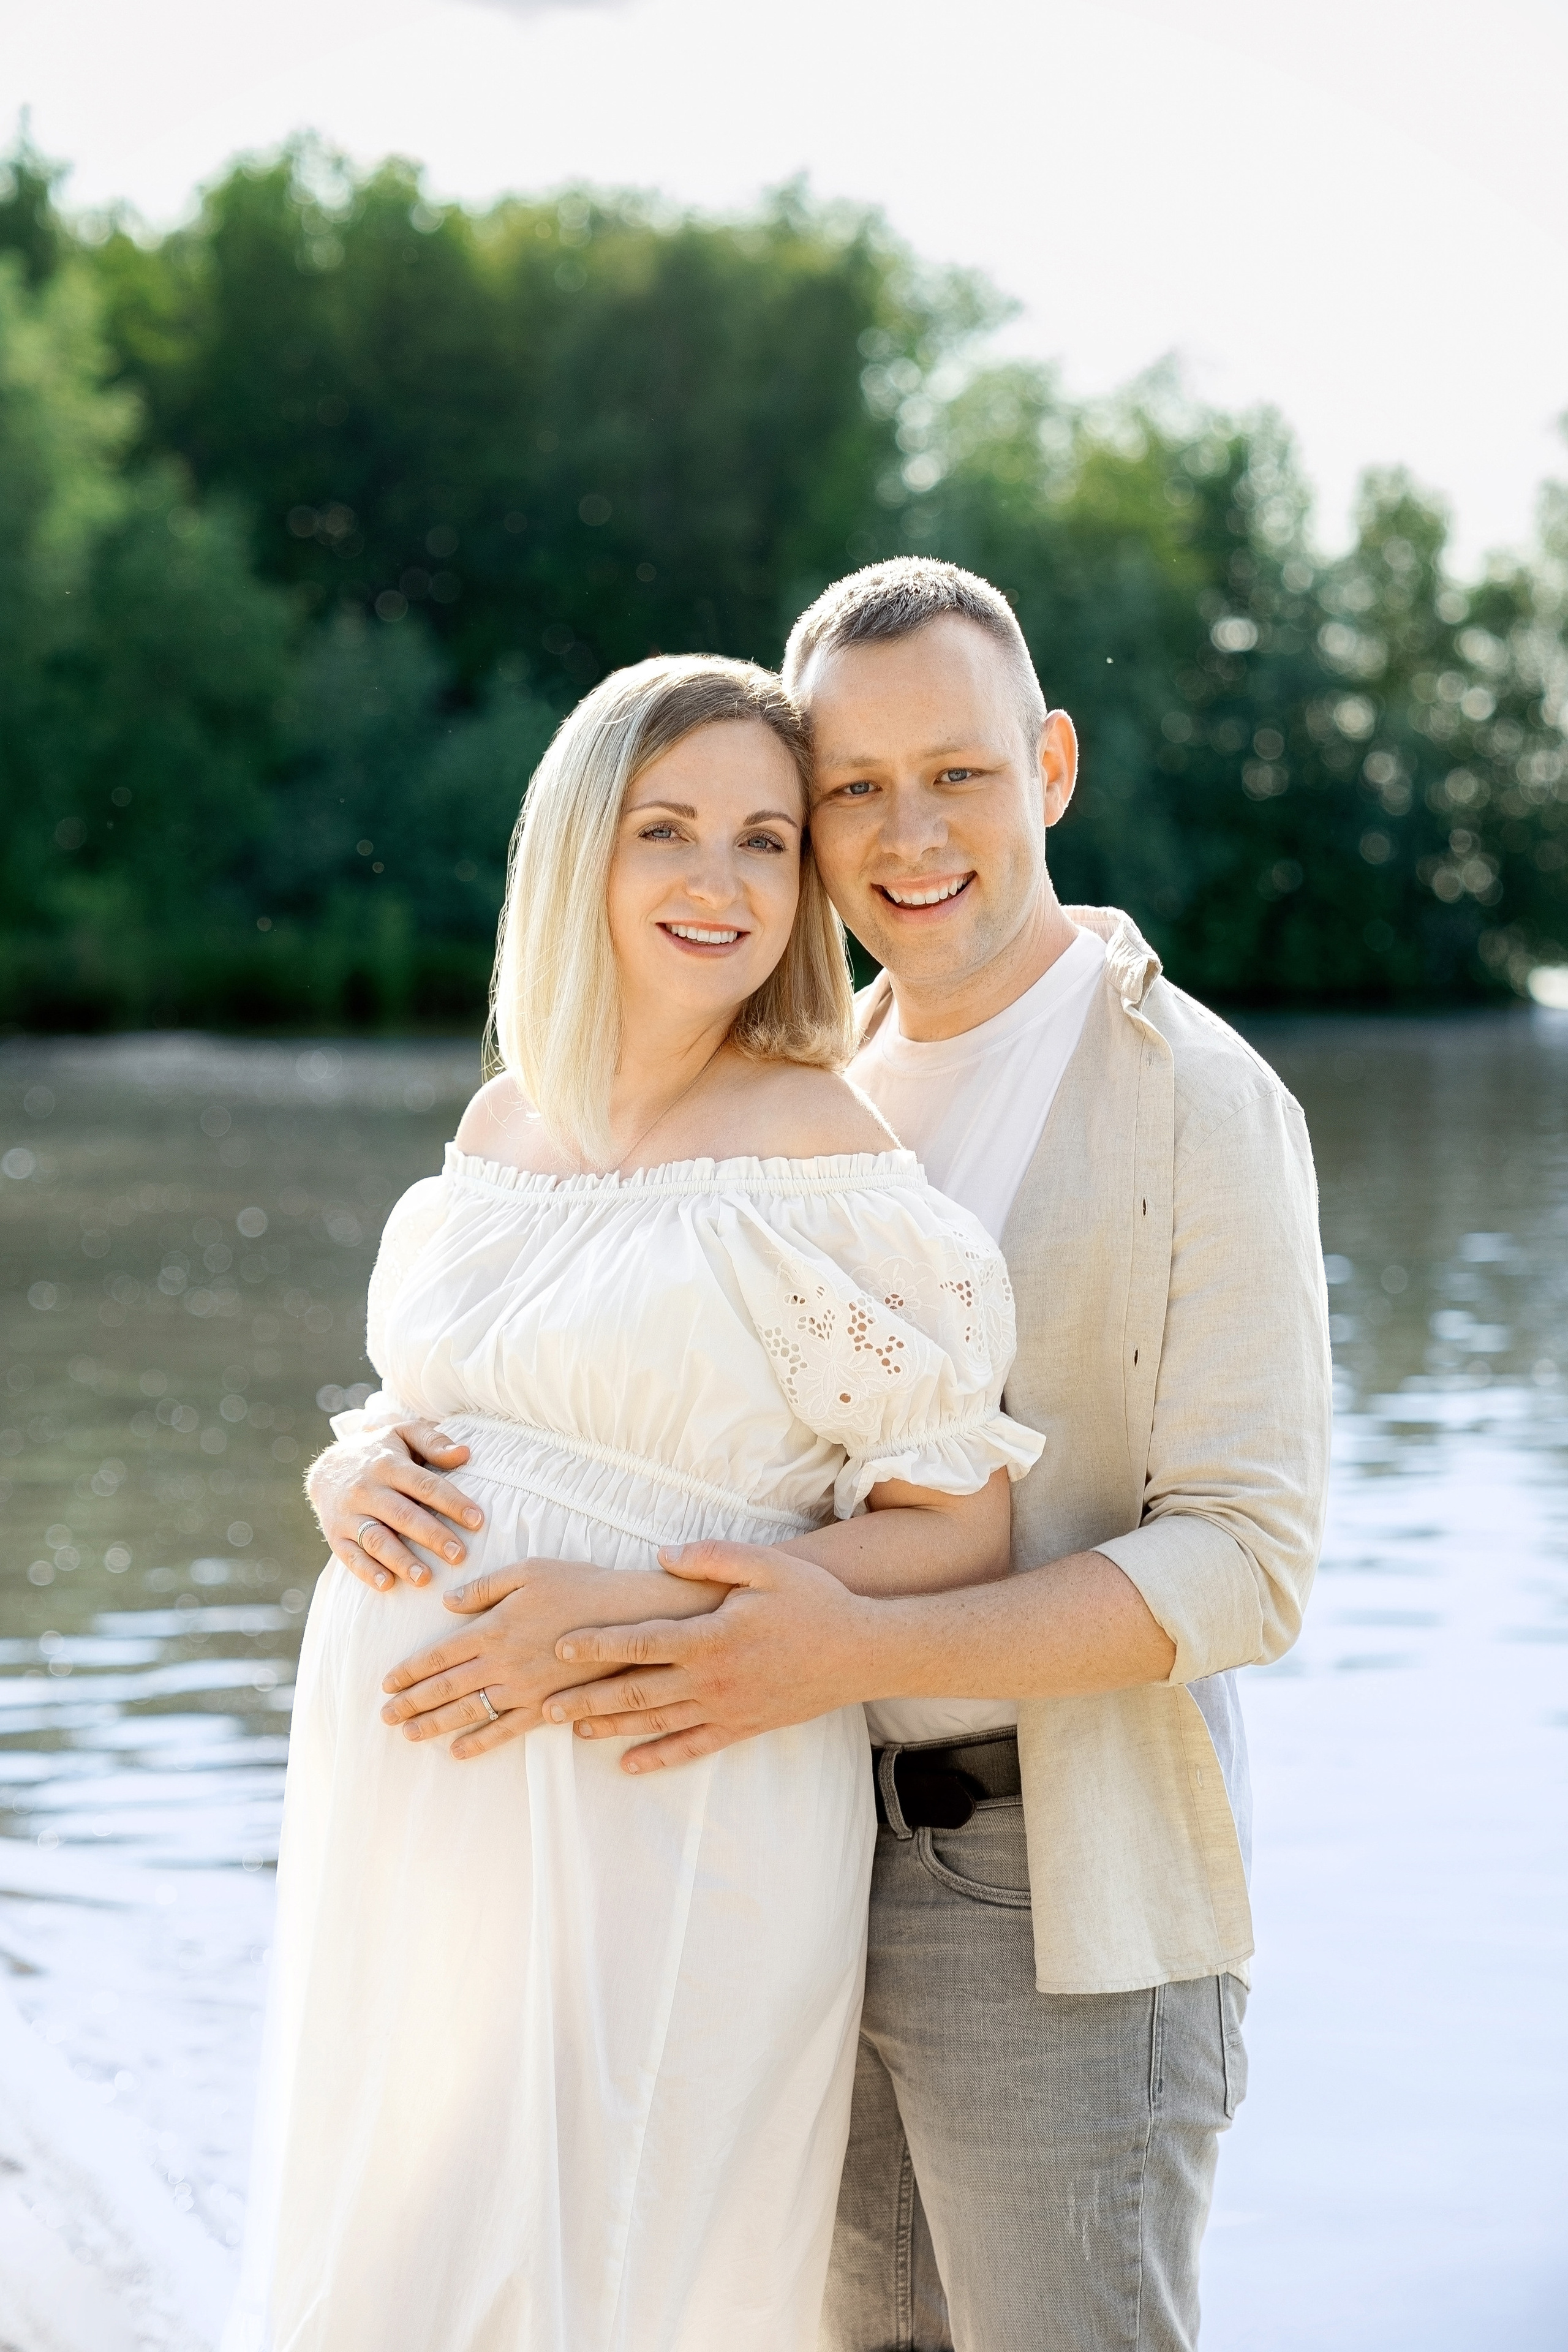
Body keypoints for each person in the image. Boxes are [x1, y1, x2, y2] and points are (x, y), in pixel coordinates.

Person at [316, 560, 1332, 2351]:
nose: (906, 831)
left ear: (1055, 770)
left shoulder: (1194, 1092)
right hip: (770, 1849)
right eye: (853, 789)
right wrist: (367, 1463)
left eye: (957, 773)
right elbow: (643, 1428)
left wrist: (842, 1642)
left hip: (1050, 1889)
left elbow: (1249, 1564)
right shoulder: (815, 1080)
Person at [228, 652, 1043, 2352]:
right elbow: (448, 1410)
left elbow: (956, 1520)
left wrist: (655, 1598)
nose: (722, 881)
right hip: (424, 1823)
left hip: (665, 1798)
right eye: (668, 828)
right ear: (576, 853)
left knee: (604, 2274)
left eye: (762, 840)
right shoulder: (503, 1123)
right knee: (392, 2267)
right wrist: (348, 1460)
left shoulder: (814, 1146)